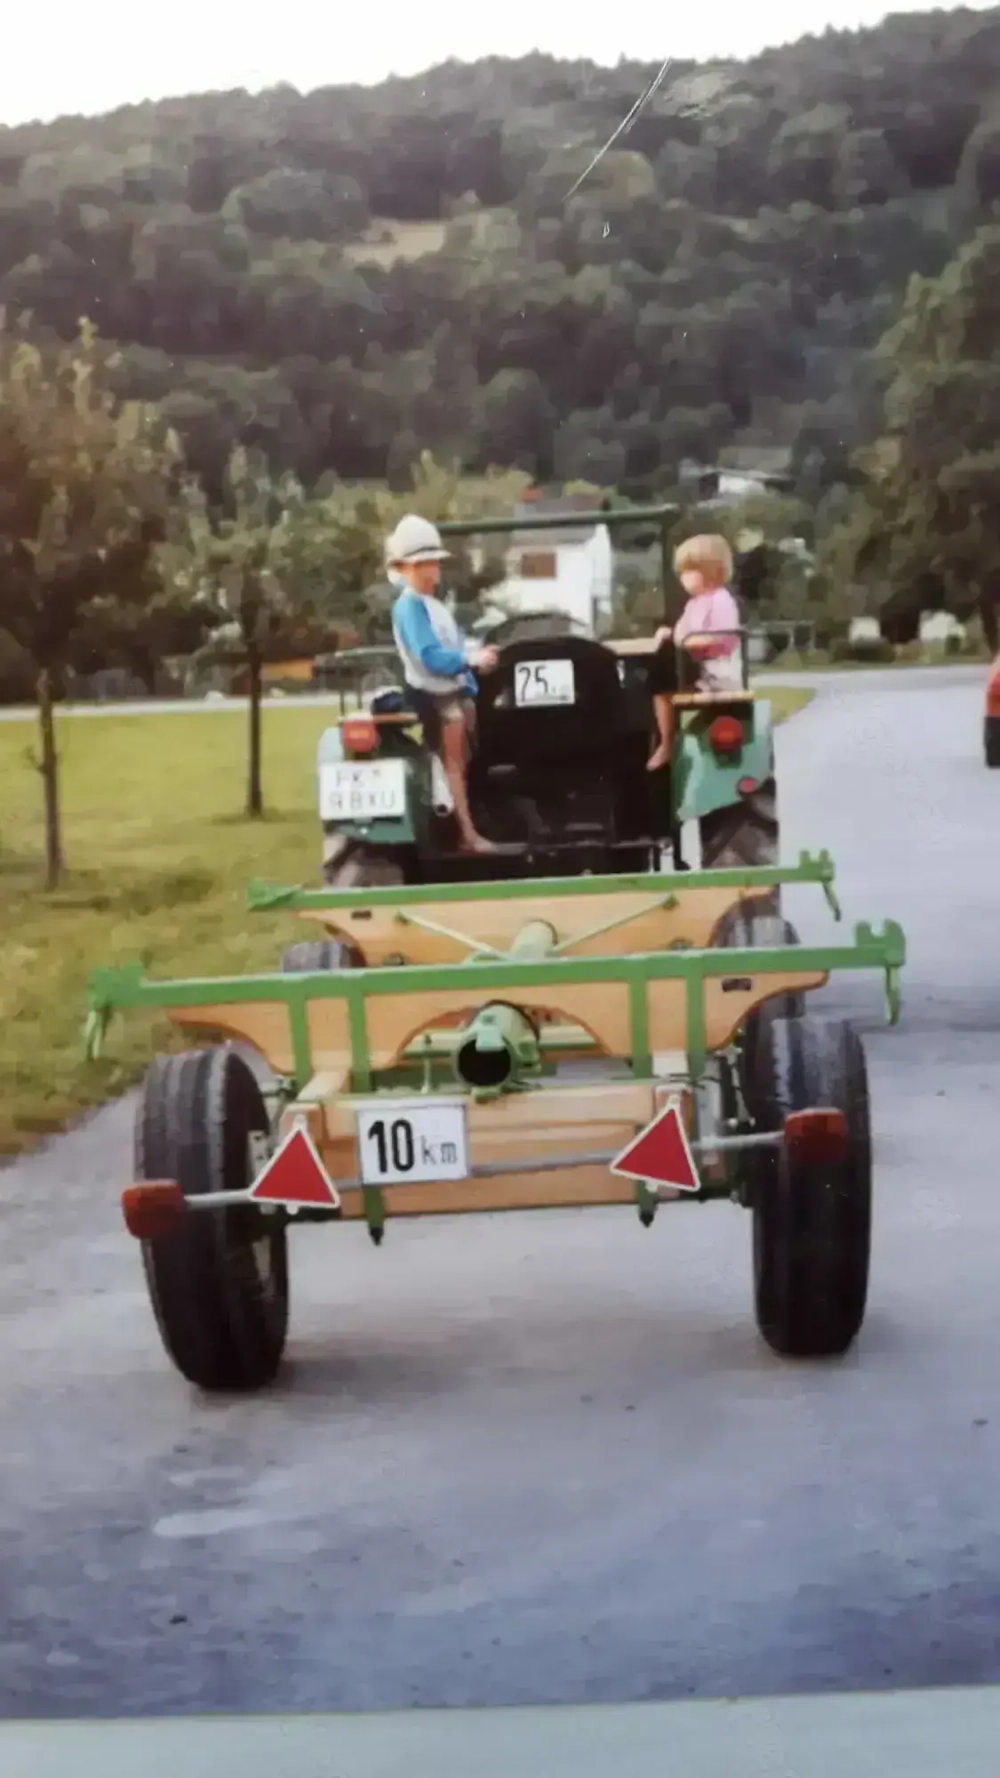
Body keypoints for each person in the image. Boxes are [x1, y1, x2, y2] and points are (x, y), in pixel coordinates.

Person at [386, 513, 500, 855]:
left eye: (433, 561)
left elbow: (449, 647)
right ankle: (466, 835)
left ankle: (473, 824)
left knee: (461, 762)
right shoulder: (410, 606)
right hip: (437, 697)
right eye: (422, 563)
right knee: (452, 766)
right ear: (405, 567)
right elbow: (429, 655)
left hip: (452, 691)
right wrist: (470, 661)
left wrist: (473, 655)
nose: (431, 569)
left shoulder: (431, 605)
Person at [646, 533, 742, 772]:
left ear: (711, 571)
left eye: (689, 571)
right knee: (657, 676)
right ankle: (665, 740)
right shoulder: (694, 604)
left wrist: (686, 641)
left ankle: (668, 743)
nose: (683, 578)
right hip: (697, 667)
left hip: (716, 673)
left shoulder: (721, 600)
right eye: (681, 572)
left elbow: (722, 635)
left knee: (661, 674)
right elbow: (681, 633)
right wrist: (670, 634)